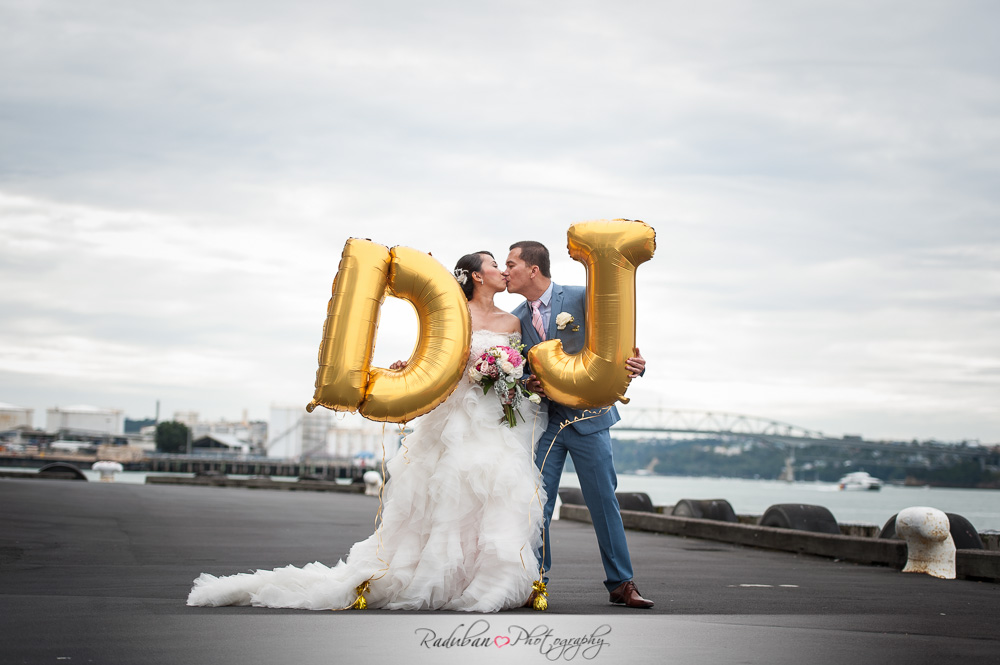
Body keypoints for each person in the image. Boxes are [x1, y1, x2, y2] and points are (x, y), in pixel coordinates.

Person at [187, 251, 546, 612]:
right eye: (494, 264)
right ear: (477, 276)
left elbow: (519, 367)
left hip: (495, 419)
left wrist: (512, 376)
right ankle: (438, 575)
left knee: (497, 492)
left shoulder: (511, 322)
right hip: (454, 419)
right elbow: (436, 358)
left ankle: (487, 577)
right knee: (448, 493)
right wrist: (411, 366)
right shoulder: (454, 313)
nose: (502, 271)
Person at [503, 240, 654, 609]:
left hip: (591, 419)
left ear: (533, 270)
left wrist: (636, 364)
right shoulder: (515, 318)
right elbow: (517, 372)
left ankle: (622, 583)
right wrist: (528, 383)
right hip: (546, 424)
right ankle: (536, 583)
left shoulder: (582, 296)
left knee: (604, 503)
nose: (505, 272)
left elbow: (615, 342)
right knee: (536, 505)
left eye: (511, 264)